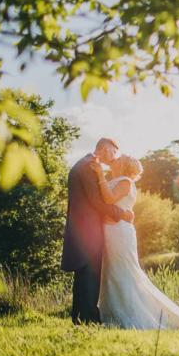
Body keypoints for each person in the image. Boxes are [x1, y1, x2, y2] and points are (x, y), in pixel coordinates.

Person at [90, 154, 179, 332]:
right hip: (110, 231)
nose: (115, 159)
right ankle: (112, 315)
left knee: (123, 273)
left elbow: (110, 199)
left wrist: (99, 175)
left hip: (119, 233)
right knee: (111, 273)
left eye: (119, 159)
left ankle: (132, 316)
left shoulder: (125, 181)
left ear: (124, 166)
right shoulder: (116, 180)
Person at [61, 138, 134, 325]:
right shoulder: (89, 166)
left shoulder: (87, 164)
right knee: (90, 274)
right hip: (88, 230)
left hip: (85, 228)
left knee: (85, 273)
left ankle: (79, 316)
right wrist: (121, 213)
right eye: (114, 152)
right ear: (105, 149)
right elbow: (96, 202)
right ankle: (89, 319)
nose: (114, 157)